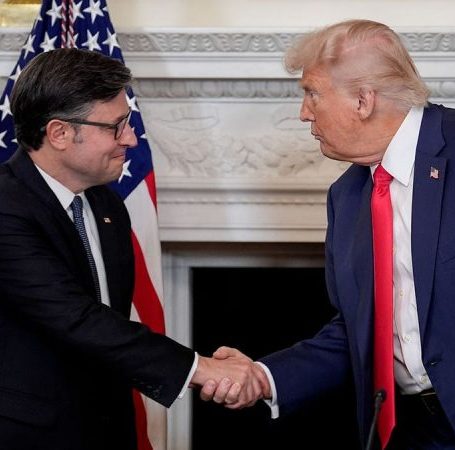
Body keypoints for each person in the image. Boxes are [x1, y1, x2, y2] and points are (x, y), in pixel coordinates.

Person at [206, 19, 455, 450]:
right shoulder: (346, 197)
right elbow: (356, 333)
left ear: (363, 100)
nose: (304, 112)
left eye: (312, 93)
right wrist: (264, 376)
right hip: (410, 434)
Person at [0, 48, 267, 450]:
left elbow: (111, 319)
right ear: (59, 133)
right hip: (32, 435)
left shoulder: (105, 203)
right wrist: (200, 369)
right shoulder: (6, 207)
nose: (130, 138)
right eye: (116, 126)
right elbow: (77, 318)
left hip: (109, 426)